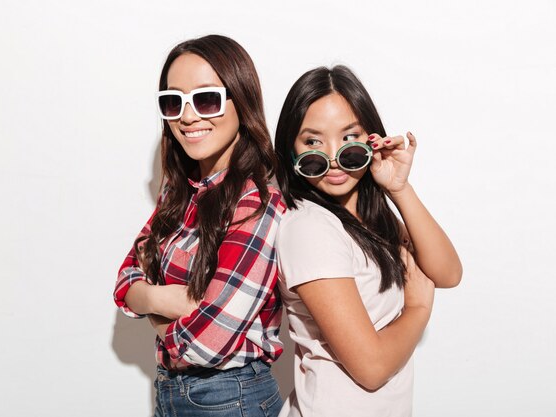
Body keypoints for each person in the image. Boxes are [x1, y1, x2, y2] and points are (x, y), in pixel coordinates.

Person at [273, 65, 463, 417]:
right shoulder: (309, 228)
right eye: (313, 141)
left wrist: (399, 189)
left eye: (349, 137)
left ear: (370, 138)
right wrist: (418, 310)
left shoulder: (370, 218)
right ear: (291, 150)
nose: (332, 158)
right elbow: (371, 367)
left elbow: (448, 272)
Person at [113, 35, 285, 417]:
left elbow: (207, 343)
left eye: (206, 98)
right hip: (171, 391)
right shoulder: (180, 192)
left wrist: (147, 300)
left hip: (230, 397)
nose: (188, 117)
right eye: (173, 102)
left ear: (241, 100)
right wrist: (167, 299)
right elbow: (125, 282)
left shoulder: (259, 202)